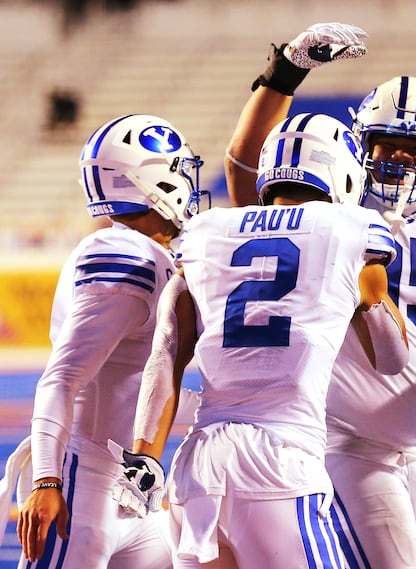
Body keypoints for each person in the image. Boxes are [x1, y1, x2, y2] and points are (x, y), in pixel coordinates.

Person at [226, 23, 416, 568]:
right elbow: (246, 164)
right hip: (341, 438)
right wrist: (287, 71)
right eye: (386, 144)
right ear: (359, 145)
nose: (401, 158)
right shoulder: (331, 201)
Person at [115, 111, 409, 568]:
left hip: (198, 464)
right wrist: (369, 293)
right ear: (345, 174)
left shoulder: (205, 230)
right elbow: (392, 359)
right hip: (280, 460)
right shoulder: (354, 226)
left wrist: (144, 456)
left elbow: (167, 351)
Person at [15, 113, 205, 567]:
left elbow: (140, 379)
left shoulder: (155, 256)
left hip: (133, 484)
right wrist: (47, 480)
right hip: (83, 481)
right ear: (153, 181)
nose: (188, 181)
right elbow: (62, 379)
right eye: (178, 170)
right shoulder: (124, 255)